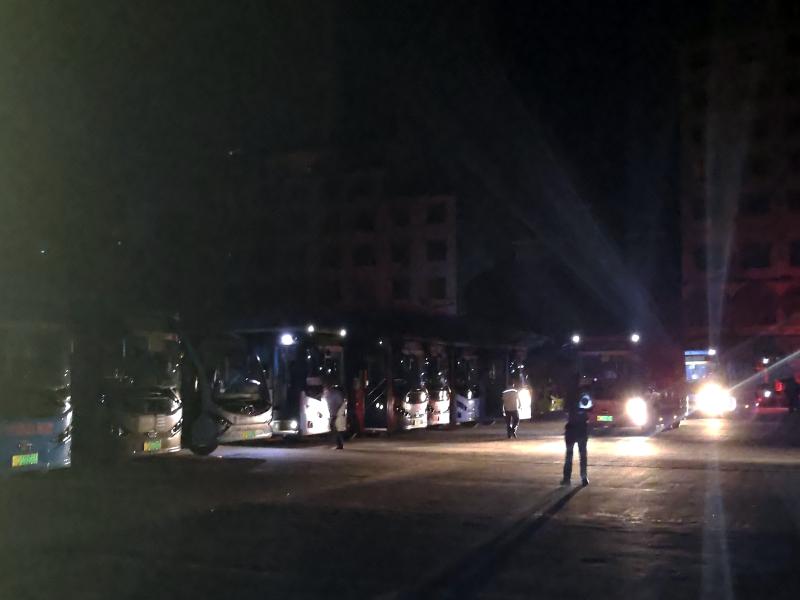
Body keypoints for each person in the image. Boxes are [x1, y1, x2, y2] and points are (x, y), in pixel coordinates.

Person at [561, 393, 591, 486]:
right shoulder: (585, 398)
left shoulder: (571, 400)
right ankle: (583, 477)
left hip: (572, 432)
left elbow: (566, 413)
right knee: (582, 456)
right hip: (580, 432)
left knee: (569, 456)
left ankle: (567, 478)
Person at [325, 384, 345, 450]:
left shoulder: (334, 394)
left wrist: (335, 413)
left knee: (335, 427)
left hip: (336, 413)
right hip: (334, 413)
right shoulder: (330, 394)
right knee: (335, 428)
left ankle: (339, 444)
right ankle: (339, 444)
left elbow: (339, 403)